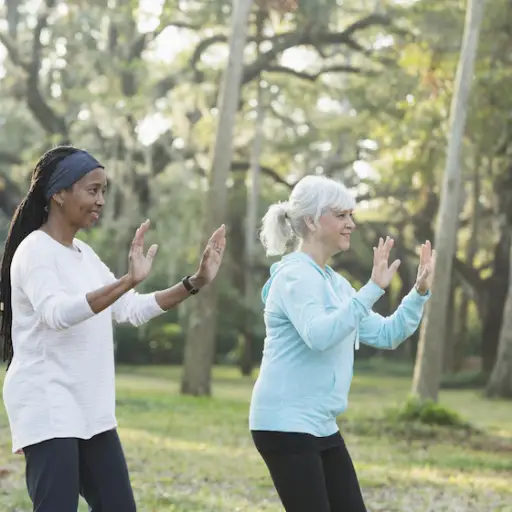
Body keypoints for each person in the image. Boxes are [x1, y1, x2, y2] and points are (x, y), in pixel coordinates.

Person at [0, 145, 226, 512]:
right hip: (49, 403)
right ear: (58, 193)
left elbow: (130, 310)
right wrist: (125, 281)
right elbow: (56, 314)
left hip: (91, 408)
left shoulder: (84, 255)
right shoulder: (34, 251)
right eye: (92, 190)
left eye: (104, 191)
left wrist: (194, 282)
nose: (101, 200)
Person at [249, 175, 436, 512]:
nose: (350, 224)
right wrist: (372, 289)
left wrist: (418, 293)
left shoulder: (334, 283)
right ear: (311, 221)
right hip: (285, 423)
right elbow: (319, 335)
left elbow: (385, 334)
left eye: (351, 215)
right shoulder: (294, 275)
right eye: (340, 216)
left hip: (321, 425)